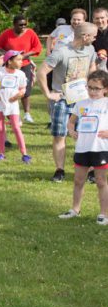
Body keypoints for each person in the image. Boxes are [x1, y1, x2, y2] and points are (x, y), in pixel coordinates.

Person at [37, 22, 99, 182]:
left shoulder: (90, 49)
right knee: (60, 135)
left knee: (88, 135)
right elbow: (42, 71)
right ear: (85, 36)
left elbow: (92, 66)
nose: (95, 39)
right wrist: (48, 94)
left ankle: (91, 171)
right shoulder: (61, 52)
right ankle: (60, 170)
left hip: (84, 100)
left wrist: (93, 87)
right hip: (63, 101)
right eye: (93, 36)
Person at [58, 70, 108, 225]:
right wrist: (71, 130)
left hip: (100, 148)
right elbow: (71, 121)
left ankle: (104, 214)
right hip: (82, 148)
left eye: (97, 88)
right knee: (79, 180)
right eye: (90, 87)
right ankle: (75, 209)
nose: (92, 91)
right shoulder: (81, 103)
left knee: (101, 181)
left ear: (105, 89)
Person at [0, 50, 31, 163]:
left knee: (16, 127)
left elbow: (23, 87)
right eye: (18, 60)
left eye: (21, 59)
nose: (21, 62)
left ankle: (25, 154)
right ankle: (1, 154)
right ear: (9, 61)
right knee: (0, 128)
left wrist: (20, 94)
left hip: (13, 105)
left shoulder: (20, 74)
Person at [0, 14, 43, 124]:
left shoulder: (30, 33)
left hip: (24, 64)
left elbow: (37, 47)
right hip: (9, 66)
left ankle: (27, 114)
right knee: (9, 89)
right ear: (14, 25)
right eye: (21, 25)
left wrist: (24, 55)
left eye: (25, 24)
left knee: (25, 89)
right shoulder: (7, 34)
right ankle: (11, 115)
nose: (23, 26)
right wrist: (8, 55)